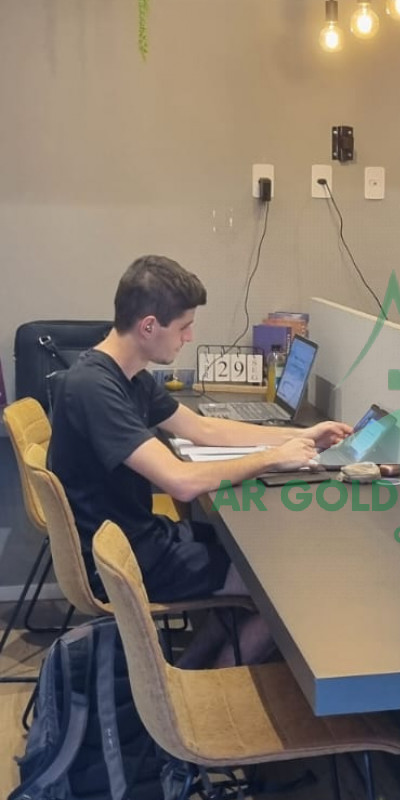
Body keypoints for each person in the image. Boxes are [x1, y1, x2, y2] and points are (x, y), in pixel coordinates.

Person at [49, 254, 351, 666]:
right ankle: (213, 693)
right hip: (122, 562)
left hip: (142, 539)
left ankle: (190, 673)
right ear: (149, 326)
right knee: (283, 588)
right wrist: (272, 460)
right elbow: (181, 481)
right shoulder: (93, 389)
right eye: (184, 327)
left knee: (255, 559)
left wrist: (299, 436)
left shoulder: (128, 376)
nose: (189, 337)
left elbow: (204, 429)